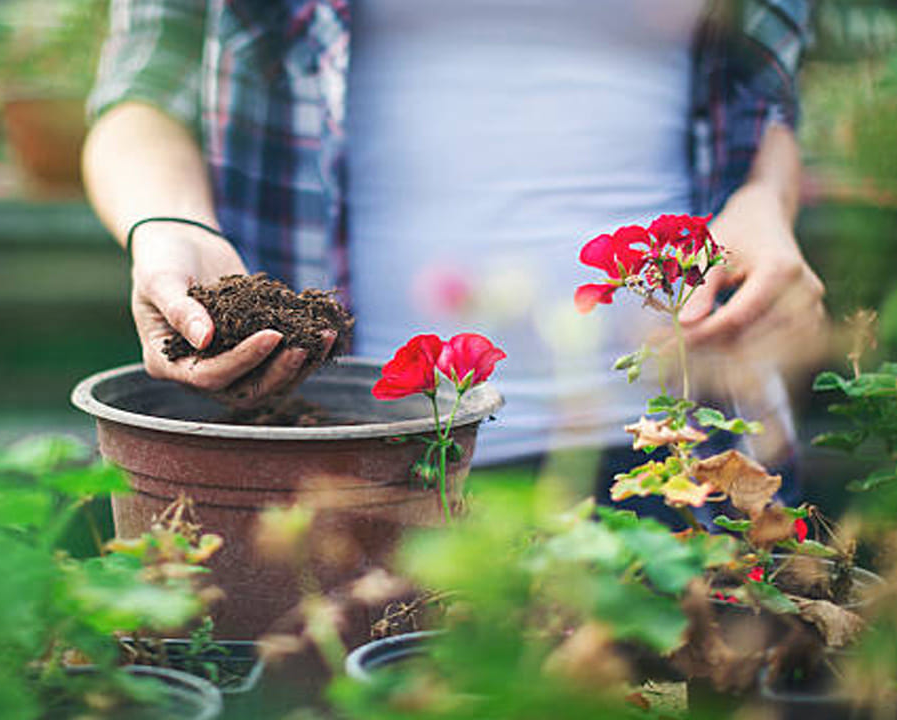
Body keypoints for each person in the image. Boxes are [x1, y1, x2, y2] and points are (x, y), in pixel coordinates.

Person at [81, 0, 827, 473]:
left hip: (690, 450)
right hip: (351, 463)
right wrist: (169, 222)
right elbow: (144, 87)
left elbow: (763, 105)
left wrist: (764, 204)